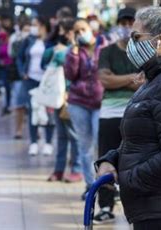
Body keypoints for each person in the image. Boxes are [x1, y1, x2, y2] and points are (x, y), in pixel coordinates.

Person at [96, 0, 161, 229]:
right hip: (151, 205)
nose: (131, 44)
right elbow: (140, 139)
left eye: (137, 38)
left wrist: (128, 178)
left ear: (159, 41)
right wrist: (110, 160)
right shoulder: (154, 79)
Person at [93, 7, 139, 224]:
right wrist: (131, 78)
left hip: (136, 115)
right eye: (124, 22)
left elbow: (145, 82)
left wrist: (117, 79)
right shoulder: (107, 52)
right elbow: (104, 80)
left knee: (135, 161)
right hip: (109, 114)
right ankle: (105, 205)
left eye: (131, 22)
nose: (127, 26)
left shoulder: (142, 52)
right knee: (106, 159)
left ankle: (134, 205)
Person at [64, 18, 105, 200]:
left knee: (100, 141)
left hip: (100, 102)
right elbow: (70, 75)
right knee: (84, 145)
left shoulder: (103, 46)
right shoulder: (73, 51)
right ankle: (90, 184)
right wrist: (73, 51)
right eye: (77, 31)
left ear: (91, 29)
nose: (81, 33)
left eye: (83, 29)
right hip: (78, 102)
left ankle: (105, 183)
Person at [44, 19, 84, 183]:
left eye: (66, 31)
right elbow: (46, 60)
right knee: (61, 135)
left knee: (74, 135)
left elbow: (61, 59)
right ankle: (59, 170)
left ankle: (76, 169)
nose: (64, 34)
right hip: (58, 96)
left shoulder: (79, 50)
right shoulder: (62, 48)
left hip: (73, 97)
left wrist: (60, 51)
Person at [16, 17, 54, 156]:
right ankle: (33, 142)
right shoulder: (28, 40)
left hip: (47, 81)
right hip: (30, 79)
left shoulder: (51, 42)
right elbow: (19, 57)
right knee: (32, 110)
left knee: (48, 110)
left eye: (35, 25)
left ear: (43, 26)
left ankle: (48, 142)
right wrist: (22, 73)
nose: (33, 28)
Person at [8, 20, 31, 138]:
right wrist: (22, 72)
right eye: (25, 30)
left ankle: (35, 133)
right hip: (19, 77)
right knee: (19, 104)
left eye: (29, 30)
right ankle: (19, 130)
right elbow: (14, 57)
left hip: (33, 78)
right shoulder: (17, 42)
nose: (27, 32)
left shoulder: (36, 42)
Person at [0, 31, 12, 115]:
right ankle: (6, 105)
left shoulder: (11, 43)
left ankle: (9, 105)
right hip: (2, 69)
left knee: (10, 88)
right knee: (5, 87)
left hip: (11, 68)